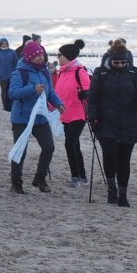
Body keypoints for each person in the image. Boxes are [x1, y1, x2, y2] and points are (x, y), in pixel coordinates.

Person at [87, 39, 137, 207]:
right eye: (117, 62)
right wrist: (92, 116)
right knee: (110, 155)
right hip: (106, 121)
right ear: (110, 59)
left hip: (129, 121)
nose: (120, 65)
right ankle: (111, 187)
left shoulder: (135, 73)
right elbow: (92, 98)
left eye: (123, 62)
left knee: (124, 159)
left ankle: (123, 194)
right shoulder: (101, 73)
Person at [8, 41, 66, 193]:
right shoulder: (20, 72)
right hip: (22, 118)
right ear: (29, 57)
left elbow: (50, 92)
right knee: (21, 150)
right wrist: (32, 89)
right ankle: (16, 182)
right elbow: (12, 94)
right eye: (37, 56)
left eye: (42, 55)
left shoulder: (45, 71)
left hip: (41, 117)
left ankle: (40, 178)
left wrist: (59, 104)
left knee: (49, 147)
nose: (41, 58)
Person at [54, 39, 90, 187]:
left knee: (70, 144)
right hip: (65, 114)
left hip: (79, 114)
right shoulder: (62, 71)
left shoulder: (80, 70)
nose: (57, 57)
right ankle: (82, 176)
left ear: (67, 56)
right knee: (75, 145)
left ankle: (76, 177)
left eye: (60, 55)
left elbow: (90, 90)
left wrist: (85, 94)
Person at [0, 38, 18, 112]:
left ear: (7, 44)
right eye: (2, 43)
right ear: (0, 44)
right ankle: (5, 106)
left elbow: (16, 62)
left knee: (11, 91)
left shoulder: (12, 52)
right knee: (4, 91)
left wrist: (13, 72)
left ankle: (11, 105)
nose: (4, 45)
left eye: (5, 43)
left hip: (11, 76)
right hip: (1, 76)